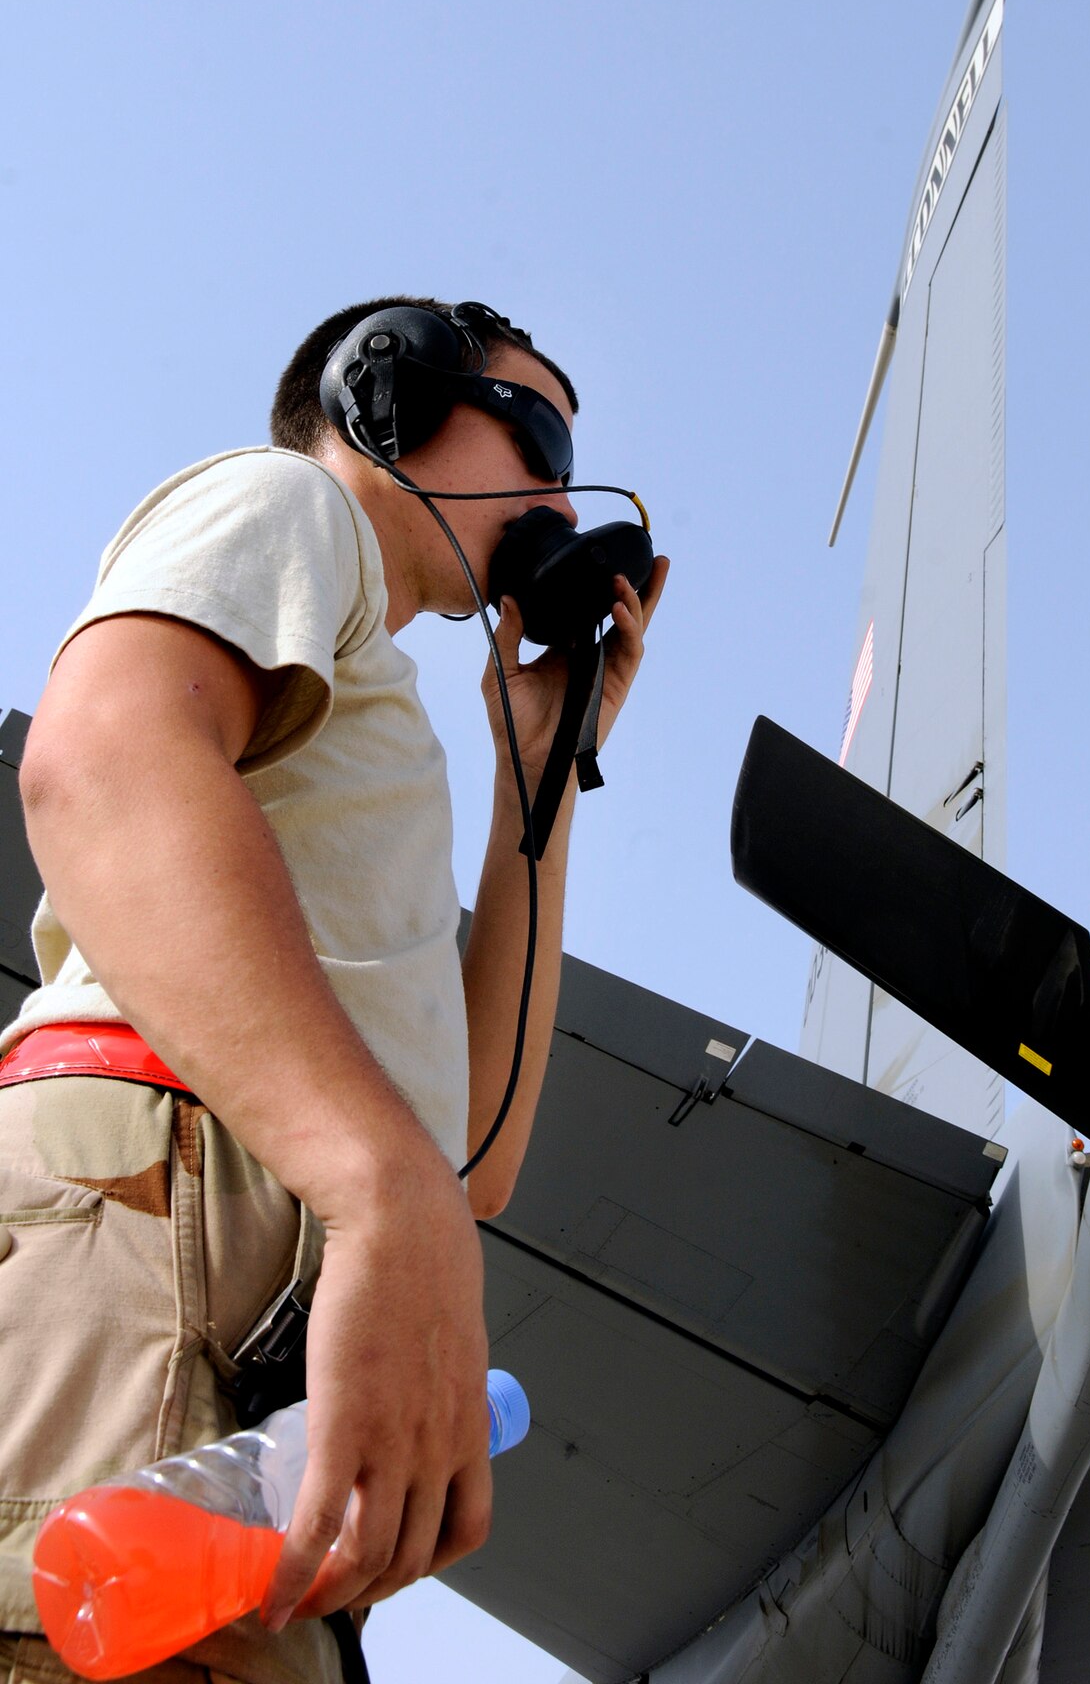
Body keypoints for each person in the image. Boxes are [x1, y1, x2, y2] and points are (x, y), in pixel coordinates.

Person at [0, 296, 667, 1684]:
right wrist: (381, 1188)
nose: (554, 497)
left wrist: (534, 786)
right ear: (390, 391)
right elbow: (104, 753)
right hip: (169, 1189)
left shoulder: (380, 707)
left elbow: (471, 1155)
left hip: (269, 1295)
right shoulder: (291, 506)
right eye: (533, 432)